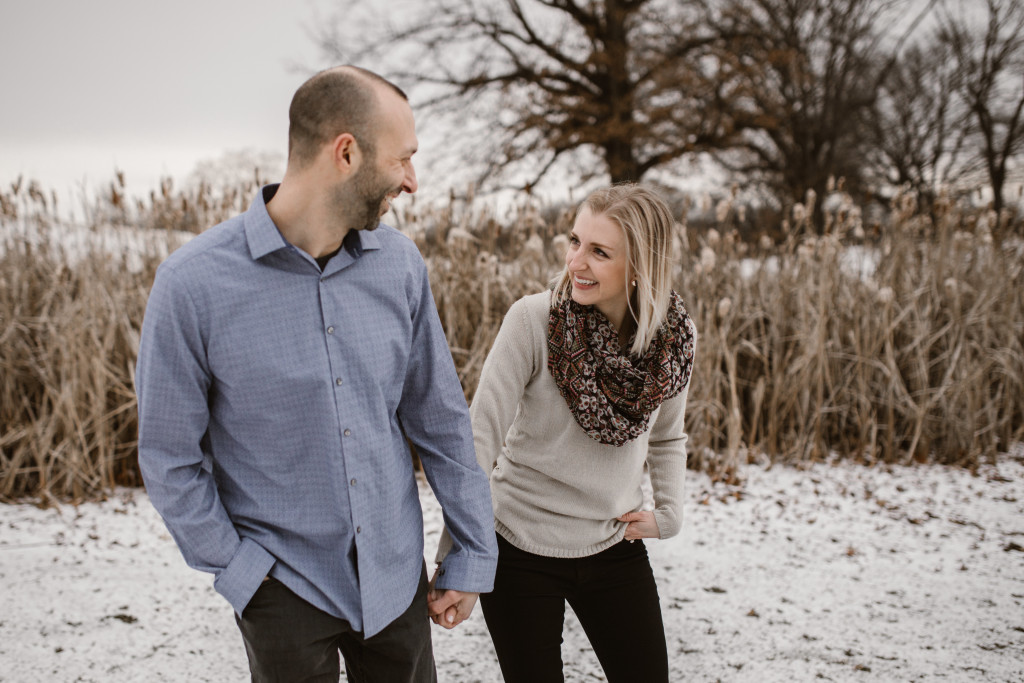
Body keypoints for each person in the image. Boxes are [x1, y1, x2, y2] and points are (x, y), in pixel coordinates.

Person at [135, 65, 497, 682]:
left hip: (395, 577)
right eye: (403, 159)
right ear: (346, 153)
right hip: (283, 586)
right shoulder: (192, 285)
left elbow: (439, 420)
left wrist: (472, 553)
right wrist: (241, 572)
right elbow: (169, 456)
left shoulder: (400, 266)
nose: (412, 182)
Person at [446, 184, 696, 682]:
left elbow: (668, 436)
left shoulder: (671, 340)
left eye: (599, 252)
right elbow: (479, 438)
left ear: (640, 268)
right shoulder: (534, 321)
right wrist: (461, 557)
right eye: (575, 241)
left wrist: (669, 514)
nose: (575, 262)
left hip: (612, 545)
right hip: (518, 544)